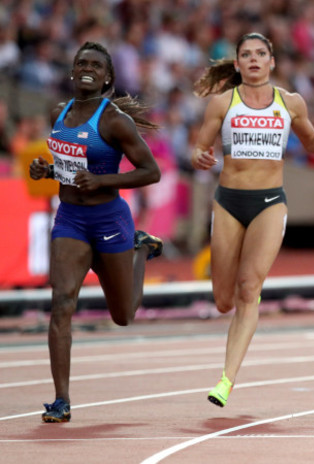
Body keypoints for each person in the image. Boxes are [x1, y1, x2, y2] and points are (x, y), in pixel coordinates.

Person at [191, 32, 314, 408]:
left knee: (249, 288)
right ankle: (238, 300)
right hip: (228, 202)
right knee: (222, 300)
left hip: (270, 202)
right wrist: (200, 157)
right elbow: (200, 148)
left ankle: (225, 380)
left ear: (271, 62)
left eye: (260, 54)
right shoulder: (223, 103)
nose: (253, 59)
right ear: (237, 64)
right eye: (246, 55)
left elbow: (312, 141)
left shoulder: (290, 102)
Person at [29, 42, 164, 423]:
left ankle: (140, 248)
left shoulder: (115, 120)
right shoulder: (59, 112)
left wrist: (103, 179)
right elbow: (69, 169)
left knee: (123, 315)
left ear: (107, 78)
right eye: (80, 62)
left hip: (108, 220)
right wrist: (48, 172)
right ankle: (61, 400)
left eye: (95, 65)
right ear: (72, 71)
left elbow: (151, 171)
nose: (87, 68)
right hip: (70, 219)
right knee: (61, 303)